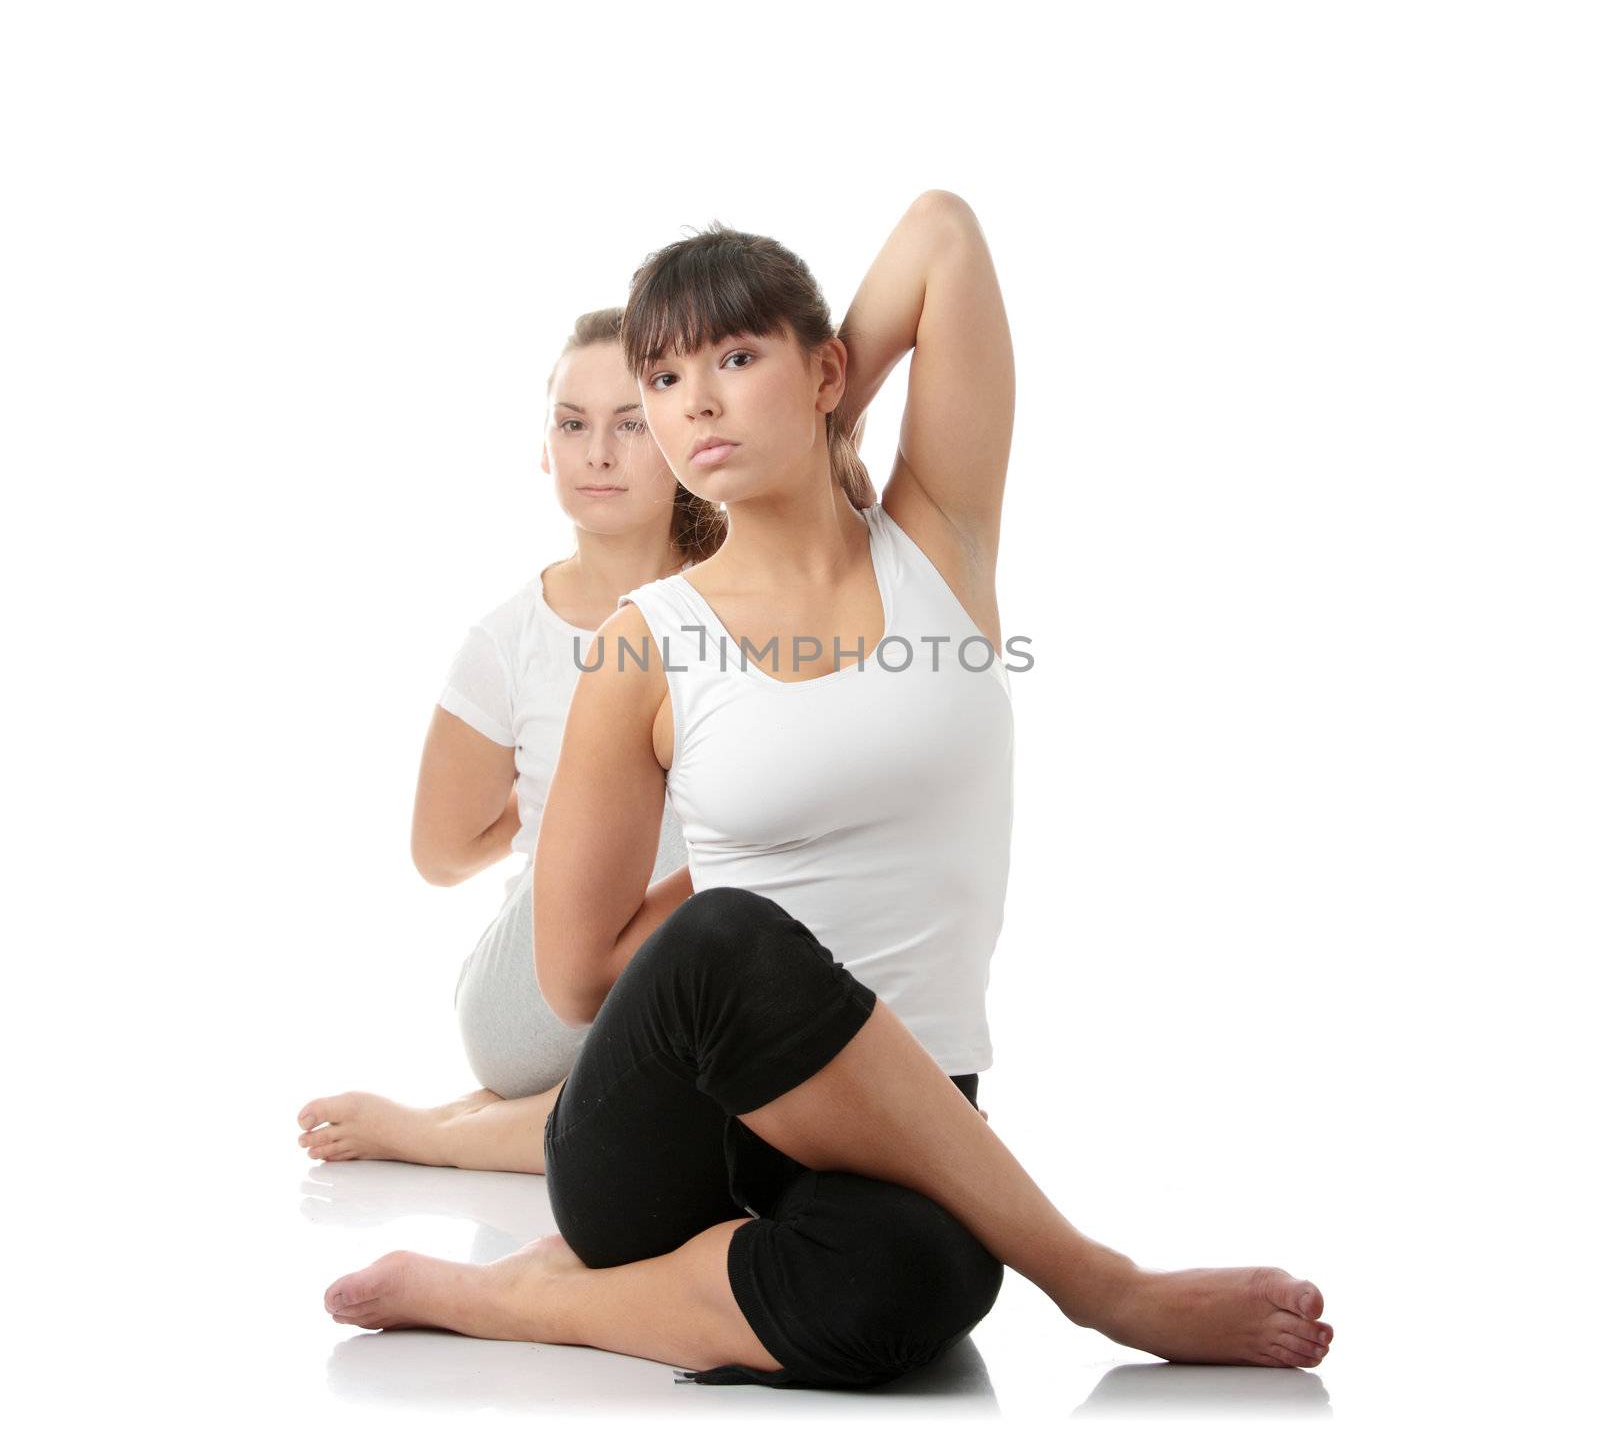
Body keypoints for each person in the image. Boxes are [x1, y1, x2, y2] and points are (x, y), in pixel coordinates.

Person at [323, 192, 1335, 1385]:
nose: (693, 401)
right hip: (674, 1134)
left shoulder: (936, 549)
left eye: (737, 357)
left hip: (908, 1121)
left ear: (827, 370)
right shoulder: (647, 640)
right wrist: (748, 877)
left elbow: (942, 236)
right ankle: (1103, 1284)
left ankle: (548, 1296)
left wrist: (825, 429)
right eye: (665, 378)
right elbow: (574, 973)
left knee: (930, 1285)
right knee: (734, 930)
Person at [296, 308, 719, 1173]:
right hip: (535, 998)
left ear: (682, 439)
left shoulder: (743, 599)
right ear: (546, 449)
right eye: (573, 425)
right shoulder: (506, 641)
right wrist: (561, 804)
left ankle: (489, 1124)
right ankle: (437, 1133)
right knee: (697, 799)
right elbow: (440, 853)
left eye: (631, 424)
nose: (598, 452)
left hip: (683, 994)